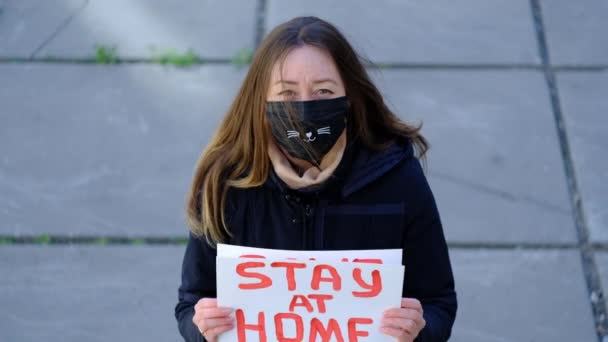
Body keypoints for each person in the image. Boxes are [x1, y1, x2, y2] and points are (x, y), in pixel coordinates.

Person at [175, 16, 457, 342]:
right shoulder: (227, 186)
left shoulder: (399, 181)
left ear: (350, 96)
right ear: (260, 102)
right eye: (288, 93)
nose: (305, 108)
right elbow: (191, 303)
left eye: (324, 90)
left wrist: (419, 332)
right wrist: (201, 329)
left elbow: (438, 303)